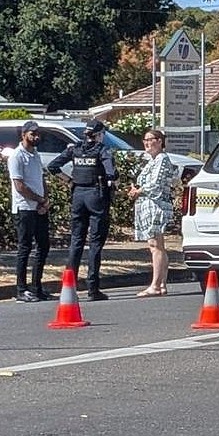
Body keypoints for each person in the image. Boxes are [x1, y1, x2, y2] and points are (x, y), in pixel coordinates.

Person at [47, 119, 118, 301]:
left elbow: (53, 166)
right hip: (96, 195)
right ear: (100, 135)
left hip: (78, 194)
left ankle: (69, 286)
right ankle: (93, 288)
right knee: (95, 243)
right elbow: (111, 173)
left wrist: (69, 180)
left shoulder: (75, 148)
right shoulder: (102, 150)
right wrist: (112, 180)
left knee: (76, 241)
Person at [7, 121, 54, 302]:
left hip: (39, 208)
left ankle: (36, 287)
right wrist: (39, 199)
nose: (36, 137)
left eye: (38, 134)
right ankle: (21, 289)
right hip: (24, 208)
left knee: (43, 245)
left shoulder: (35, 155)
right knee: (24, 248)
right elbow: (19, 186)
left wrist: (45, 200)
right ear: (24, 134)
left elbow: (41, 179)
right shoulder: (17, 156)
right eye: (32, 134)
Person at [128, 129, 175, 297]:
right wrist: (135, 190)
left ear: (160, 141)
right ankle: (161, 284)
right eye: (145, 140)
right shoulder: (152, 161)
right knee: (157, 245)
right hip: (148, 205)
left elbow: (155, 184)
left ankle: (155, 285)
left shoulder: (162, 159)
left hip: (157, 205)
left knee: (155, 245)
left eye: (151, 139)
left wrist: (139, 191)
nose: (147, 143)